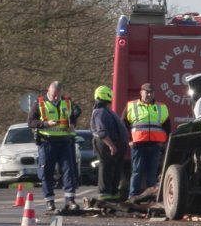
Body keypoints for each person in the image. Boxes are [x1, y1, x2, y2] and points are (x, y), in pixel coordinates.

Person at [27, 81, 79, 211]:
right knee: (46, 171)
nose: (56, 97)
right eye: (53, 94)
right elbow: (31, 122)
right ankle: (49, 201)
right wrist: (45, 124)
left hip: (64, 141)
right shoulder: (39, 103)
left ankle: (70, 200)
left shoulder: (66, 102)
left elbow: (73, 116)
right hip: (47, 142)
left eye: (58, 95)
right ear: (48, 91)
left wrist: (72, 125)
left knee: (68, 170)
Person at [123, 83, 171, 200]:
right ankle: (132, 196)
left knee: (152, 173)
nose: (149, 94)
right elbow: (123, 125)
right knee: (137, 171)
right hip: (138, 144)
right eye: (146, 92)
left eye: (151, 92)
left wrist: (163, 143)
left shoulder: (162, 107)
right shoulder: (131, 106)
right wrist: (129, 140)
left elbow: (167, 127)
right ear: (141, 92)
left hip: (155, 145)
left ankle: (150, 197)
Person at [90, 85, 129, 201]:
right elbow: (102, 132)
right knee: (106, 167)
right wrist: (111, 145)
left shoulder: (106, 111)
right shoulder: (100, 112)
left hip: (114, 144)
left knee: (114, 168)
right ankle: (105, 193)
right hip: (106, 144)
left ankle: (112, 192)